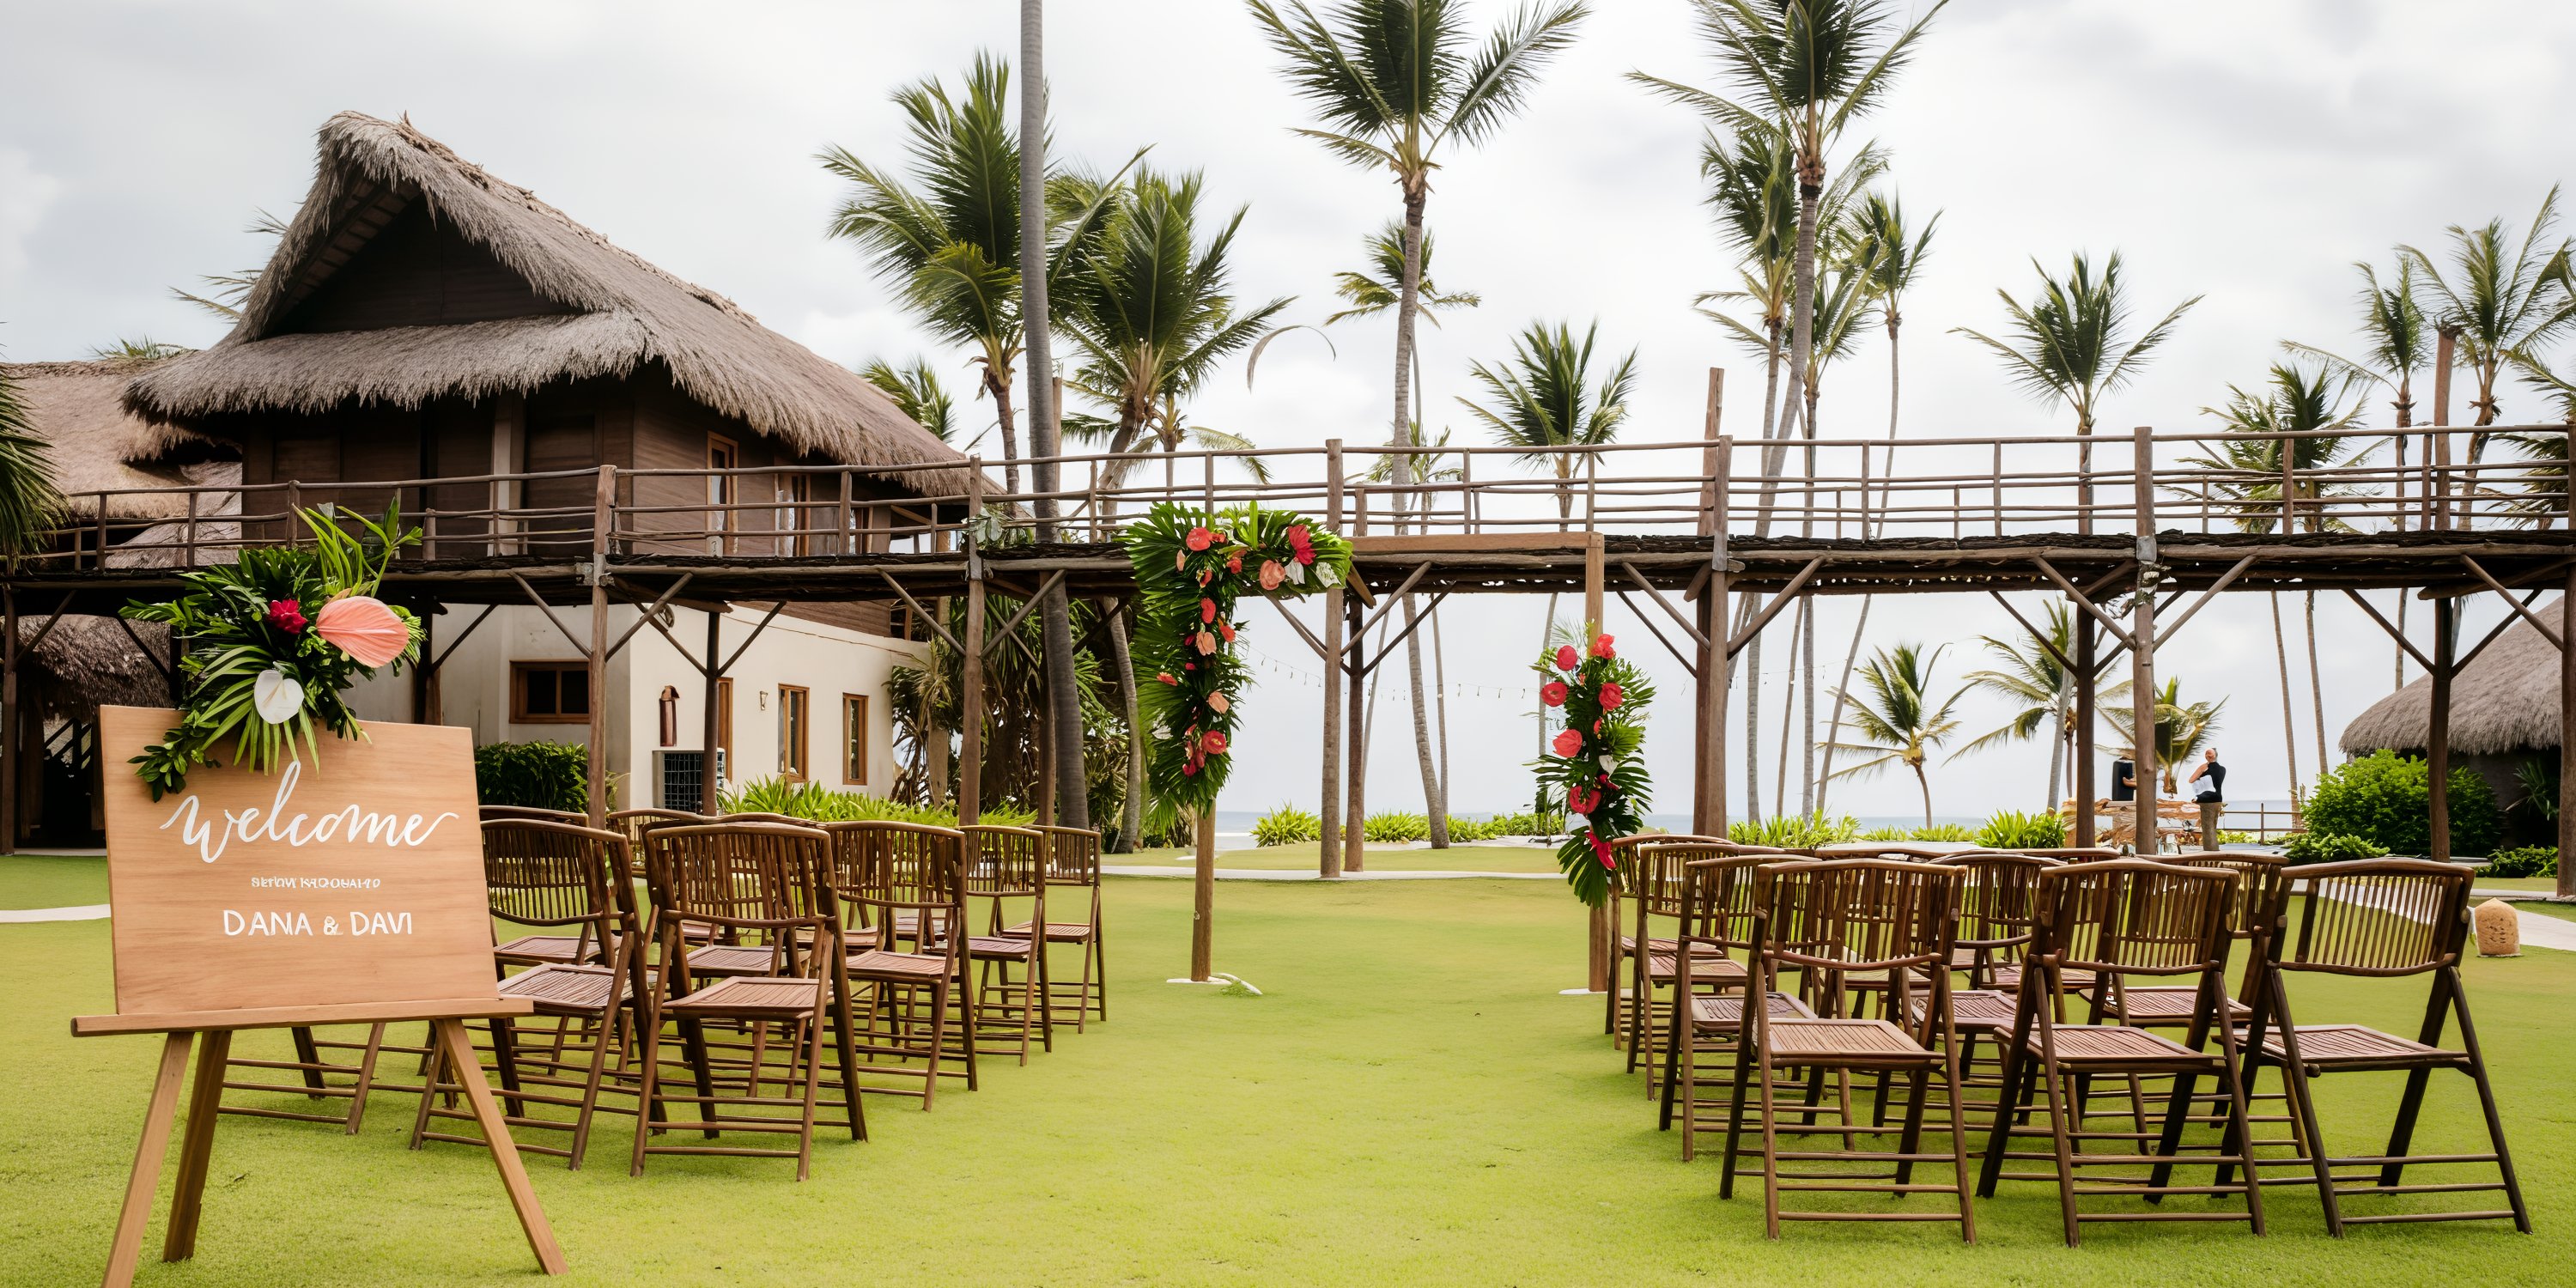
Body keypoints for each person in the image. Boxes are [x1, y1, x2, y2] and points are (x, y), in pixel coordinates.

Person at [2189, 747, 2226, 851]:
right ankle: (2214, 849)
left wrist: (2202, 769)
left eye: (2207, 754)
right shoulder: (2223, 769)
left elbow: (2191, 780)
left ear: (2208, 756)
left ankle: (2210, 850)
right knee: (2212, 826)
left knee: (2207, 827)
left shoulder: (2205, 768)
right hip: (2218, 799)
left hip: (2207, 800)